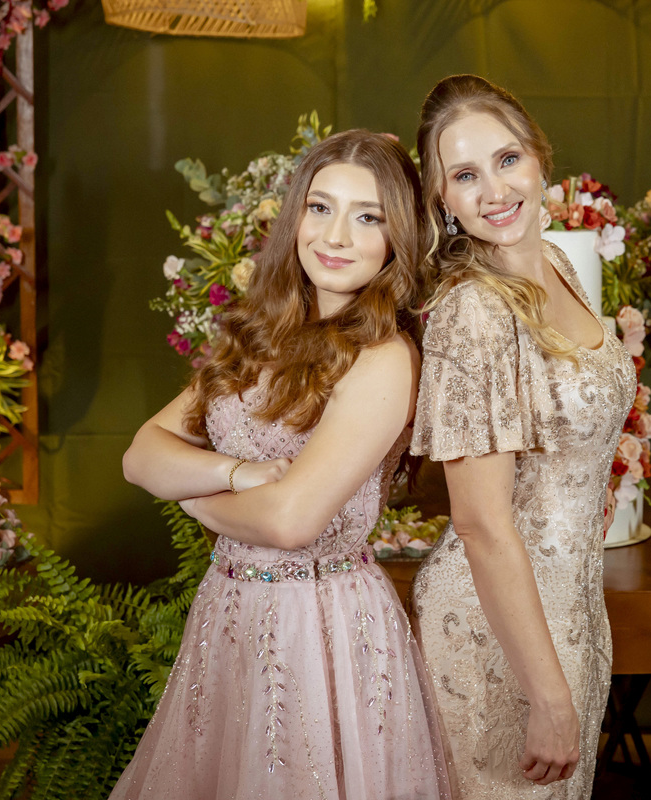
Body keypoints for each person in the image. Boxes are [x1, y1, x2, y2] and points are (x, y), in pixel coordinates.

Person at [109, 129, 451, 800]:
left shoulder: (384, 357)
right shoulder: (260, 333)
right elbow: (140, 455)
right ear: (296, 215)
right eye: (320, 208)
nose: (336, 236)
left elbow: (292, 521)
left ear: (398, 238)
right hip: (229, 610)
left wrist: (190, 493)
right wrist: (236, 475)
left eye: (368, 217)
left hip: (321, 627)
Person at [409, 75, 634, 799]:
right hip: (496, 632)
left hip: (572, 608)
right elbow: (480, 523)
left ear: (539, 158)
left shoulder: (558, 266)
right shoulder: (473, 312)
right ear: (441, 198)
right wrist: (548, 695)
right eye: (465, 175)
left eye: (507, 160)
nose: (495, 190)